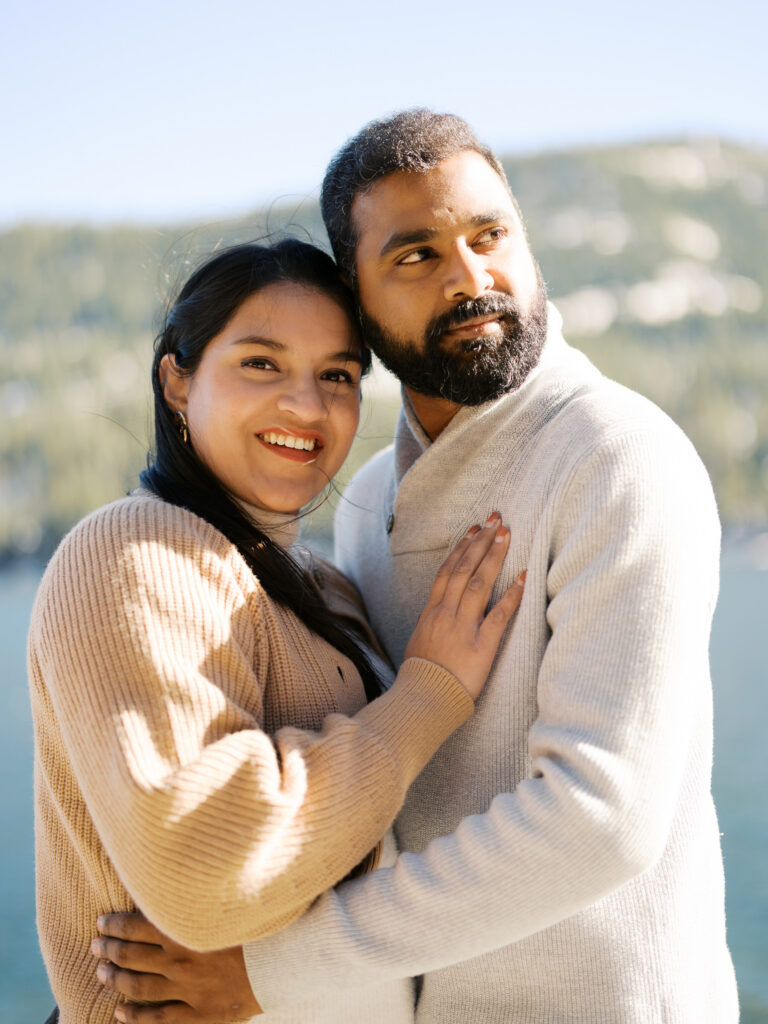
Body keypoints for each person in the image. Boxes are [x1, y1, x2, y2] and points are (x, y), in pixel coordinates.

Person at [93, 112, 739, 1023]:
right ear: (356, 302)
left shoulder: (620, 458)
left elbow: (602, 817)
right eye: (415, 256)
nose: (471, 277)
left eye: (489, 235)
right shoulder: (362, 507)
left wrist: (270, 973)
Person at [29, 237, 526, 1024]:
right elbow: (204, 871)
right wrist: (427, 697)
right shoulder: (133, 550)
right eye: (261, 363)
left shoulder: (322, 587)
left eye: (338, 375)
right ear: (176, 381)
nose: (306, 404)